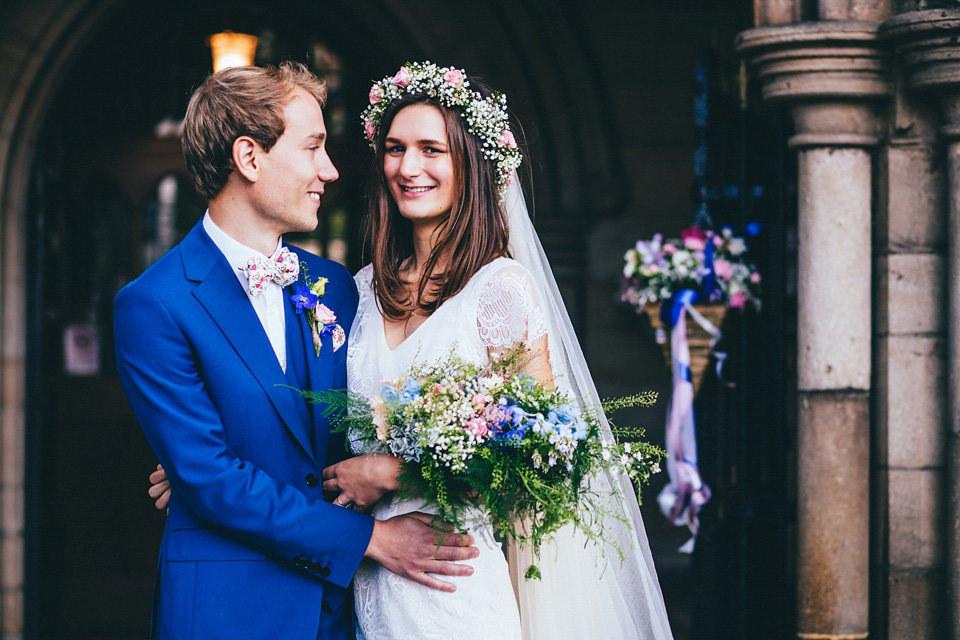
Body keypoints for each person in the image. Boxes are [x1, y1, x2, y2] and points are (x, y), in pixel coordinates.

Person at [151, 62, 674, 639]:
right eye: (396, 148)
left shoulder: (500, 289)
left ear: (470, 165)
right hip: (362, 589)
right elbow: (304, 421)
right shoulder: (357, 290)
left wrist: (394, 474)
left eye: (432, 149)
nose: (408, 166)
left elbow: (543, 457)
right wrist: (202, 469)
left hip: (451, 577)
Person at [116, 61, 479, 640]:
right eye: (313, 147)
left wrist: (398, 473)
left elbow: (361, 424)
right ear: (250, 158)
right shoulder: (154, 304)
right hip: (227, 610)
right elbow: (212, 478)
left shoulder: (335, 285)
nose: (330, 171)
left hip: (339, 610)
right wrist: (374, 539)